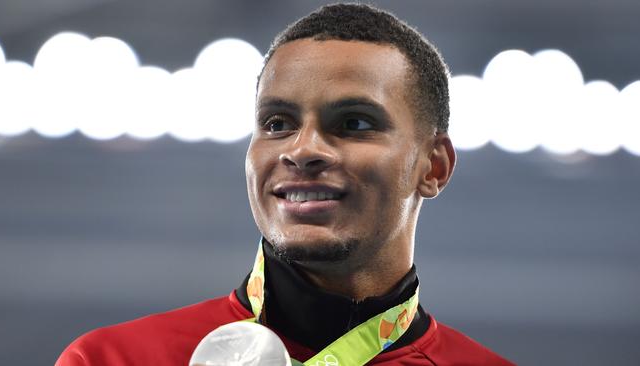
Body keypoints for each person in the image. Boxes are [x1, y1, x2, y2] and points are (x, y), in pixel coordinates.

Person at [57, 3, 514, 365]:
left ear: (433, 167)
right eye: (277, 123)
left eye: (353, 123)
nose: (302, 149)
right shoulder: (115, 359)